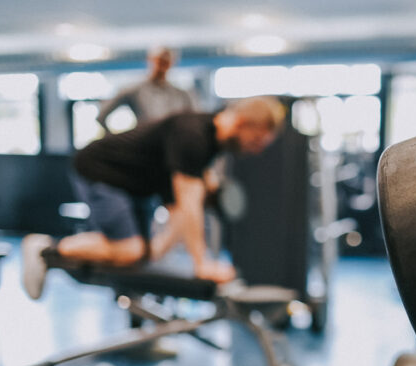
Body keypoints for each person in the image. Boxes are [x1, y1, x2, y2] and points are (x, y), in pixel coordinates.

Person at [22, 96, 286, 300]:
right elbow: (189, 204)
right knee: (130, 250)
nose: (256, 150)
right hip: (100, 170)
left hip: (134, 187)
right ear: (241, 123)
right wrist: (202, 264)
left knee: (142, 254)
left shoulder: (209, 140)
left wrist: (158, 249)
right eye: (256, 141)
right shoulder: (193, 135)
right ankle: (46, 250)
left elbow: (181, 208)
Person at [97, 46, 195, 133]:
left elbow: (195, 123)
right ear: (151, 60)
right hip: (145, 144)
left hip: (172, 145)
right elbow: (102, 116)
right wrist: (119, 142)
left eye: (166, 62)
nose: (162, 66)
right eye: (160, 61)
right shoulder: (134, 90)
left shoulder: (182, 94)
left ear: (172, 63)